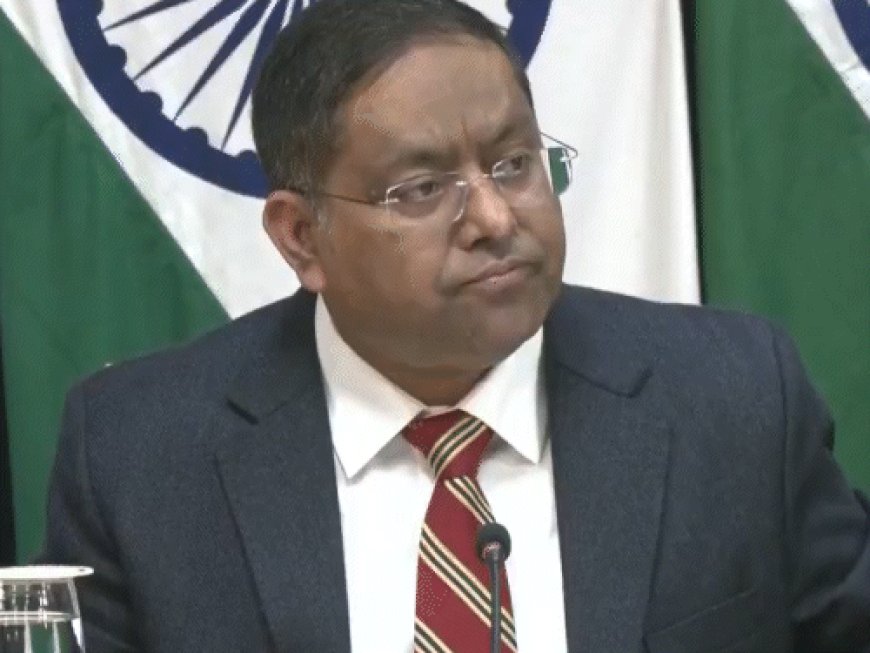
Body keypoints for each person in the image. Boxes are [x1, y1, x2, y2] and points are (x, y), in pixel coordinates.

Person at [42, 0, 869, 651]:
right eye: (422, 189)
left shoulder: (732, 399)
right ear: (300, 236)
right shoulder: (141, 457)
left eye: (513, 163)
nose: (495, 217)